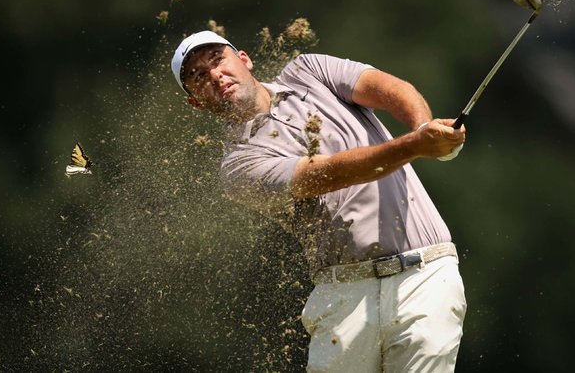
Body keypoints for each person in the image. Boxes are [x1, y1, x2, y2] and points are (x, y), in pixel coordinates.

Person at [170, 30, 467, 372]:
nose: (214, 75)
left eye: (218, 60)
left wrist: (425, 129)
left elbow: (389, 89)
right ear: (195, 102)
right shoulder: (239, 166)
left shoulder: (309, 71)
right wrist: (415, 146)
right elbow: (325, 174)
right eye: (198, 76)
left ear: (244, 59)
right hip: (344, 294)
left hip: (424, 275)